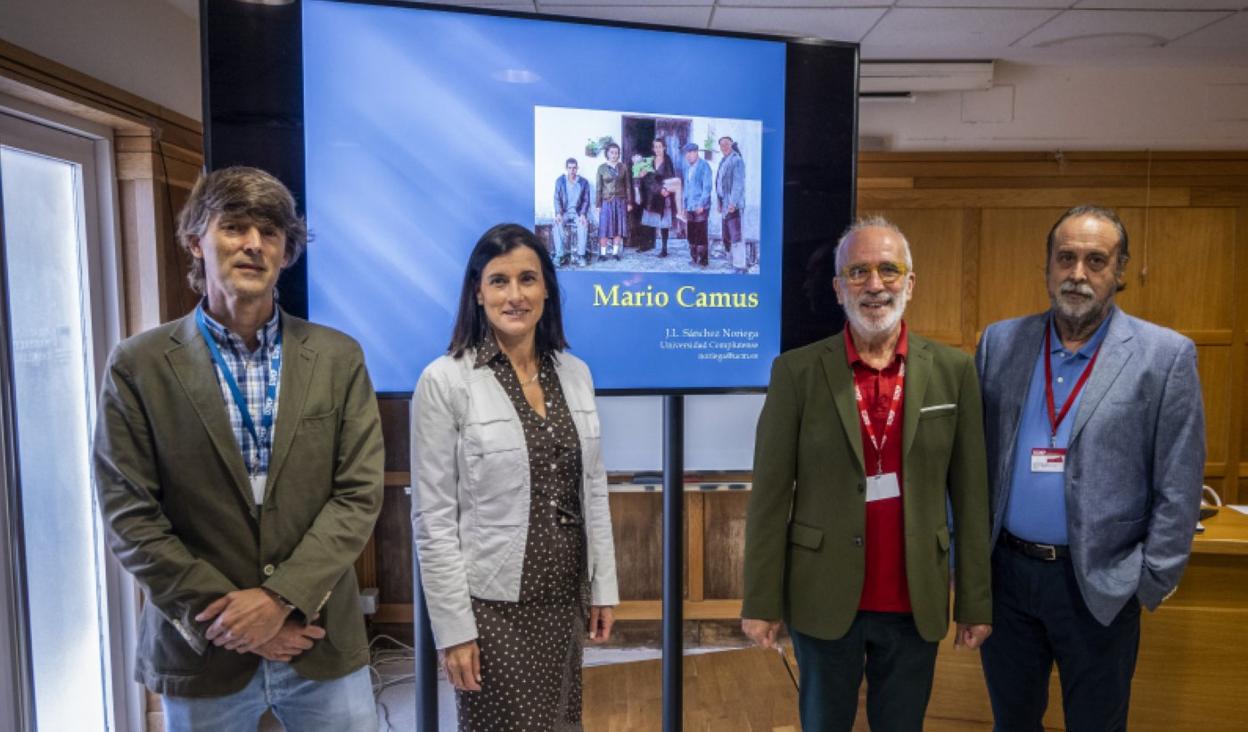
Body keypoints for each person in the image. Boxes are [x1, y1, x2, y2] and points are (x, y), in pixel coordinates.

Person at [92, 166, 384, 730]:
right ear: (195, 240)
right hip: (202, 648)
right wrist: (234, 619)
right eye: (234, 227)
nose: (253, 243)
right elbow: (129, 515)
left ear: (287, 251)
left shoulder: (338, 357)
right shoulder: (138, 365)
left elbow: (358, 496)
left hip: (319, 640)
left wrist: (277, 604)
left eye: (270, 231)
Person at [742, 216, 993, 732]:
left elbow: (971, 498)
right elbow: (769, 498)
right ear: (838, 288)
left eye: (888, 270)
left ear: (910, 283)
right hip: (823, 597)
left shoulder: (954, 371)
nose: (874, 285)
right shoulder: (795, 372)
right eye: (858, 272)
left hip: (914, 600)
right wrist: (761, 602)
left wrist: (974, 600)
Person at [976, 205, 1205, 732]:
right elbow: (971, 461)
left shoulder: (1164, 357)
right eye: (1066, 258)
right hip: (1007, 578)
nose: (1078, 274)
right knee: (1011, 722)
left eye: (1096, 260)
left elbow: (1180, 480)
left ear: (1120, 270)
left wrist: (1150, 579)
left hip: (1100, 583)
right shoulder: (999, 343)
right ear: (1047, 267)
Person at [412, 223, 619, 730]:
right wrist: (453, 630)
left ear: (546, 287)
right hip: (491, 607)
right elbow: (433, 517)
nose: (515, 295)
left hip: (565, 597)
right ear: (477, 293)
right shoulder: (444, 381)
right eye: (499, 281)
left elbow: (592, 487)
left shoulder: (576, 373)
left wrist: (603, 587)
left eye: (528, 279)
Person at [639, 138, 677, 258]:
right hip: (651, 194)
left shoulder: (668, 160)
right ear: (653, 149)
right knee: (649, 220)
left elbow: (671, 176)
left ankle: (664, 249)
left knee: (663, 222)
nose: (657, 149)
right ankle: (647, 245)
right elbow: (646, 179)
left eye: (660, 146)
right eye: (655, 147)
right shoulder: (649, 161)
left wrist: (666, 190)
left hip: (664, 194)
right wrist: (642, 174)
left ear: (664, 147)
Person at [595, 142, 631, 262]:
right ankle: (603, 254)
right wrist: (598, 204)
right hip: (606, 201)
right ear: (607, 154)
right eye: (612, 152)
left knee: (618, 228)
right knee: (604, 228)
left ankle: (615, 253)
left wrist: (629, 202)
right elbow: (599, 188)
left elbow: (627, 186)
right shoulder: (601, 168)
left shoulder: (623, 167)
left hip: (620, 201)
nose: (614, 155)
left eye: (616, 153)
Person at [715, 136, 746, 272]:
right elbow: (719, 184)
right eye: (721, 145)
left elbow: (738, 184)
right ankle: (732, 262)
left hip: (733, 205)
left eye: (727, 144)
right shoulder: (723, 161)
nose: (724, 147)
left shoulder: (737, 160)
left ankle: (740, 266)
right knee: (727, 235)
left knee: (736, 235)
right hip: (725, 204)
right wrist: (719, 202)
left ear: (732, 144)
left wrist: (733, 203)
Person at [553, 157, 590, 266]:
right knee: (557, 223)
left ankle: (581, 255)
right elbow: (556, 198)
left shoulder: (583, 182)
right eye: (570, 168)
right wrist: (558, 213)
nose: (572, 170)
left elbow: (586, 200)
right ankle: (560, 255)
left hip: (578, 212)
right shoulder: (560, 181)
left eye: (574, 168)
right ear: (566, 168)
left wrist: (583, 214)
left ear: (577, 168)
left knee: (583, 224)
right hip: (564, 212)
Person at [682, 141, 712, 267]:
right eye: (686, 154)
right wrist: (684, 206)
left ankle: (703, 260)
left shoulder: (704, 166)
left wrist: (701, 204)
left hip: (701, 207)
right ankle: (694, 259)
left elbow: (707, 188)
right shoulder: (687, 168)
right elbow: (686, 189)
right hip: (690, 206)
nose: (688, 156)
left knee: (701, 234)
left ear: (696, 152)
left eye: (690, 153)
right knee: (691, 233)